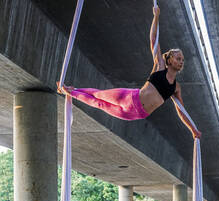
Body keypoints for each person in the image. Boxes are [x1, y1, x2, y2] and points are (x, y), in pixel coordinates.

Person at [58, 6, 201, 139]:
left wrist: (193, 130)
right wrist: (156, 16)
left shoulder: (176, 88)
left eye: (182, 59)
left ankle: (72, 91)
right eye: (178, 58)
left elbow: (181, 111)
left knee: (100, 104)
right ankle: (72, 91)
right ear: (170, 60)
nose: (181, 61)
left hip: (135, 115)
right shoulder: (160, 66)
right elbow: (153, 40)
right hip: (129, 98)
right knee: (98, 96)